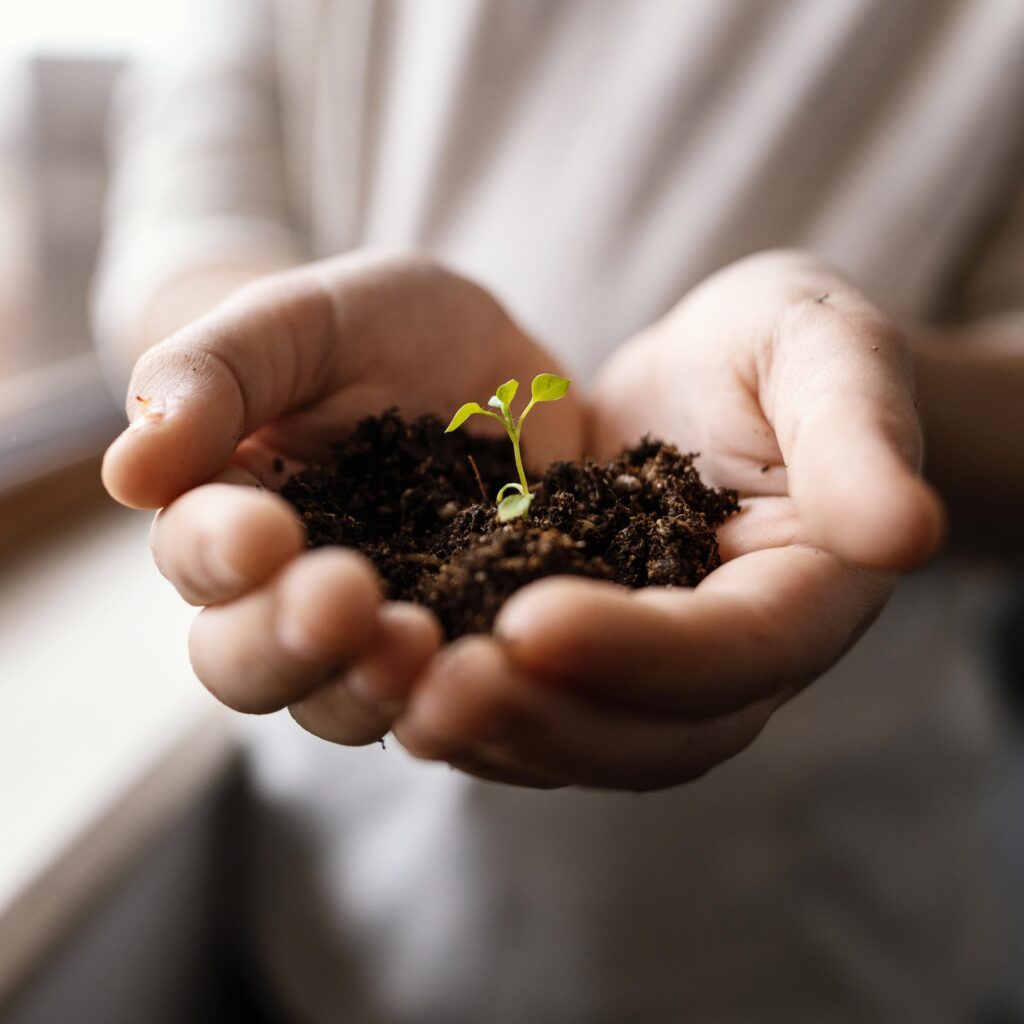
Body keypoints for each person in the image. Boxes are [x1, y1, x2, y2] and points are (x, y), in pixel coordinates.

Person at [94, 1, 1024, 1021]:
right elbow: (191, 205)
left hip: (834, 932)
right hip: (348, 909)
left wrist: (870, 402)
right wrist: (265, 357)